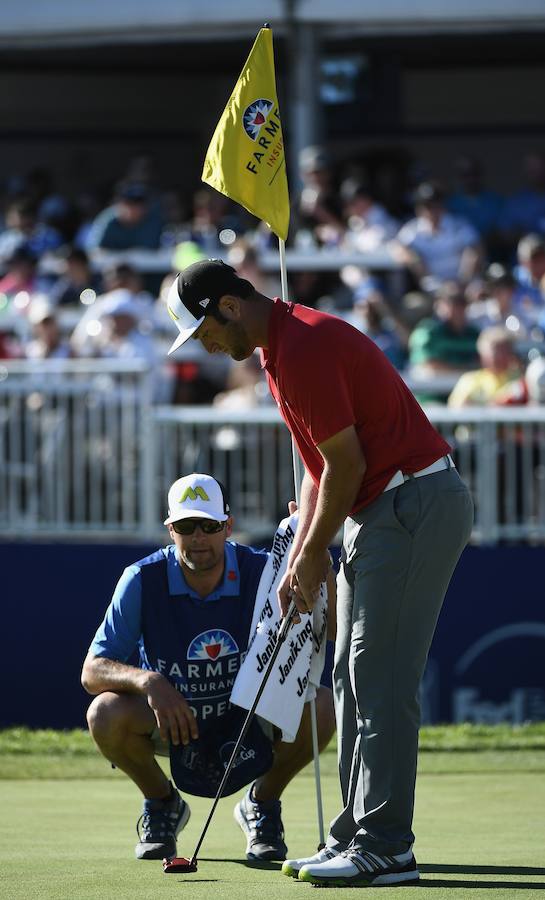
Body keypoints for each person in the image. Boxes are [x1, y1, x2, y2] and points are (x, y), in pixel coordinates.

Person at [165, 259, 474, 887]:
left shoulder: (301, 347)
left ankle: (387, 843)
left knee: (380, 678)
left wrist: (313, 553)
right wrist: (300, 548)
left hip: (410, 503)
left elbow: (346, 463)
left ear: (228, 306)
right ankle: (356, 837)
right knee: (351, 675)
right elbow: (317, 468)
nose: (207, 347)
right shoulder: (281, 352)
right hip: (380, 508)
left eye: (204, 332)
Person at [81, 472, 335, 863]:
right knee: (105, 714)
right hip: (174, 724)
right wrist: (148, 681)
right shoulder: (141, 579)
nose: (198, 537)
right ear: (170, 530)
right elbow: (92, 670)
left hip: (246, 720)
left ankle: (262, 805)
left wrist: (317, 559)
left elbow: (329, 630)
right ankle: (162, 803)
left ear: (228, 527)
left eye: (210, 525)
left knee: (320, 707)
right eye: (185, 526)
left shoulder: (263, 571)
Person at [447, 326, 522, 407]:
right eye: (495, 352)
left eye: (504, 351)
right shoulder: (468, 380)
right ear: (482, 355)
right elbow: (456, 408)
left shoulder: (520, 380)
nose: (500, 356)